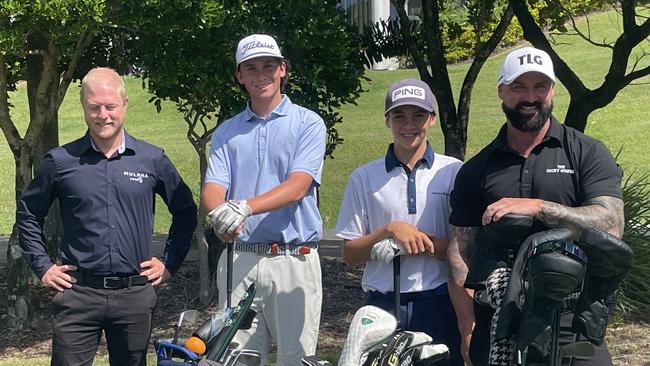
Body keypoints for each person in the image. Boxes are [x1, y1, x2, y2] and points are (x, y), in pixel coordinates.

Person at [447, 46, 624, 365]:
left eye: (540, 86)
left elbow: (611, 222)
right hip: (498, 317)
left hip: (573, 319)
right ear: (501, 91)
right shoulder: (477, 169)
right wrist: (467, 322)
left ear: (553, 90)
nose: (530, 96)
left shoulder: (586, 152)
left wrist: (538, 206)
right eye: (519, 87)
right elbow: (461, 249)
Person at [17, 67, 198, 366]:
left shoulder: (151, 159)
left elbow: (185, 210)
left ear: (124, 104)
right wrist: (43, 266)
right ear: (84, 107)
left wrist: (170, 263)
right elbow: (28, 213)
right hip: (78, 294)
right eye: (94, 107)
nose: (103, 115)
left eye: (110, 106)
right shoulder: (61, 162)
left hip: (135, 295)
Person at [201, 33, 325, 366]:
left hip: (293, 259)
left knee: (296, 359)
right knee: (236, 358)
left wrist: (244, 206)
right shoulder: (227, 131)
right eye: (251, 68)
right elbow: (213, 187)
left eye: (268, 66)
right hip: (239, 258)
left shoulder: (308, 123)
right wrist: (218, 214)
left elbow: (299, 185)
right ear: (239, 75)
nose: (261, 75)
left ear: (283, 69)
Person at [335, 79, 464, 365]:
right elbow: (350, 254)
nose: (409, 125)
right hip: (382, 304)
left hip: (440, 303)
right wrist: (388, 231)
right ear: (387, 121)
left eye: (418, 115)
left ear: (432, 119)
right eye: (399, 116)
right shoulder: (363, 177)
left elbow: (465, 249)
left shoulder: (454, 172)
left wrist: (415, 243)